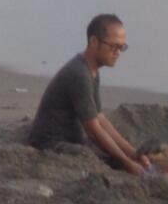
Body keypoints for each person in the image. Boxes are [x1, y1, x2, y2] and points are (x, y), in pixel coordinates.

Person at [28, 14, 151, 176]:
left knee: (116, 150)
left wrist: (132, 153)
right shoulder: (79, 74)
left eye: (122, 47)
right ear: (94, 41)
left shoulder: (91, 70)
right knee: (103, 157)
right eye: (113, 46)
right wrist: (127, 163)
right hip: (51, 144)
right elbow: (93, 129)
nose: (117, 53)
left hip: (73, 137)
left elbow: (99, 118)